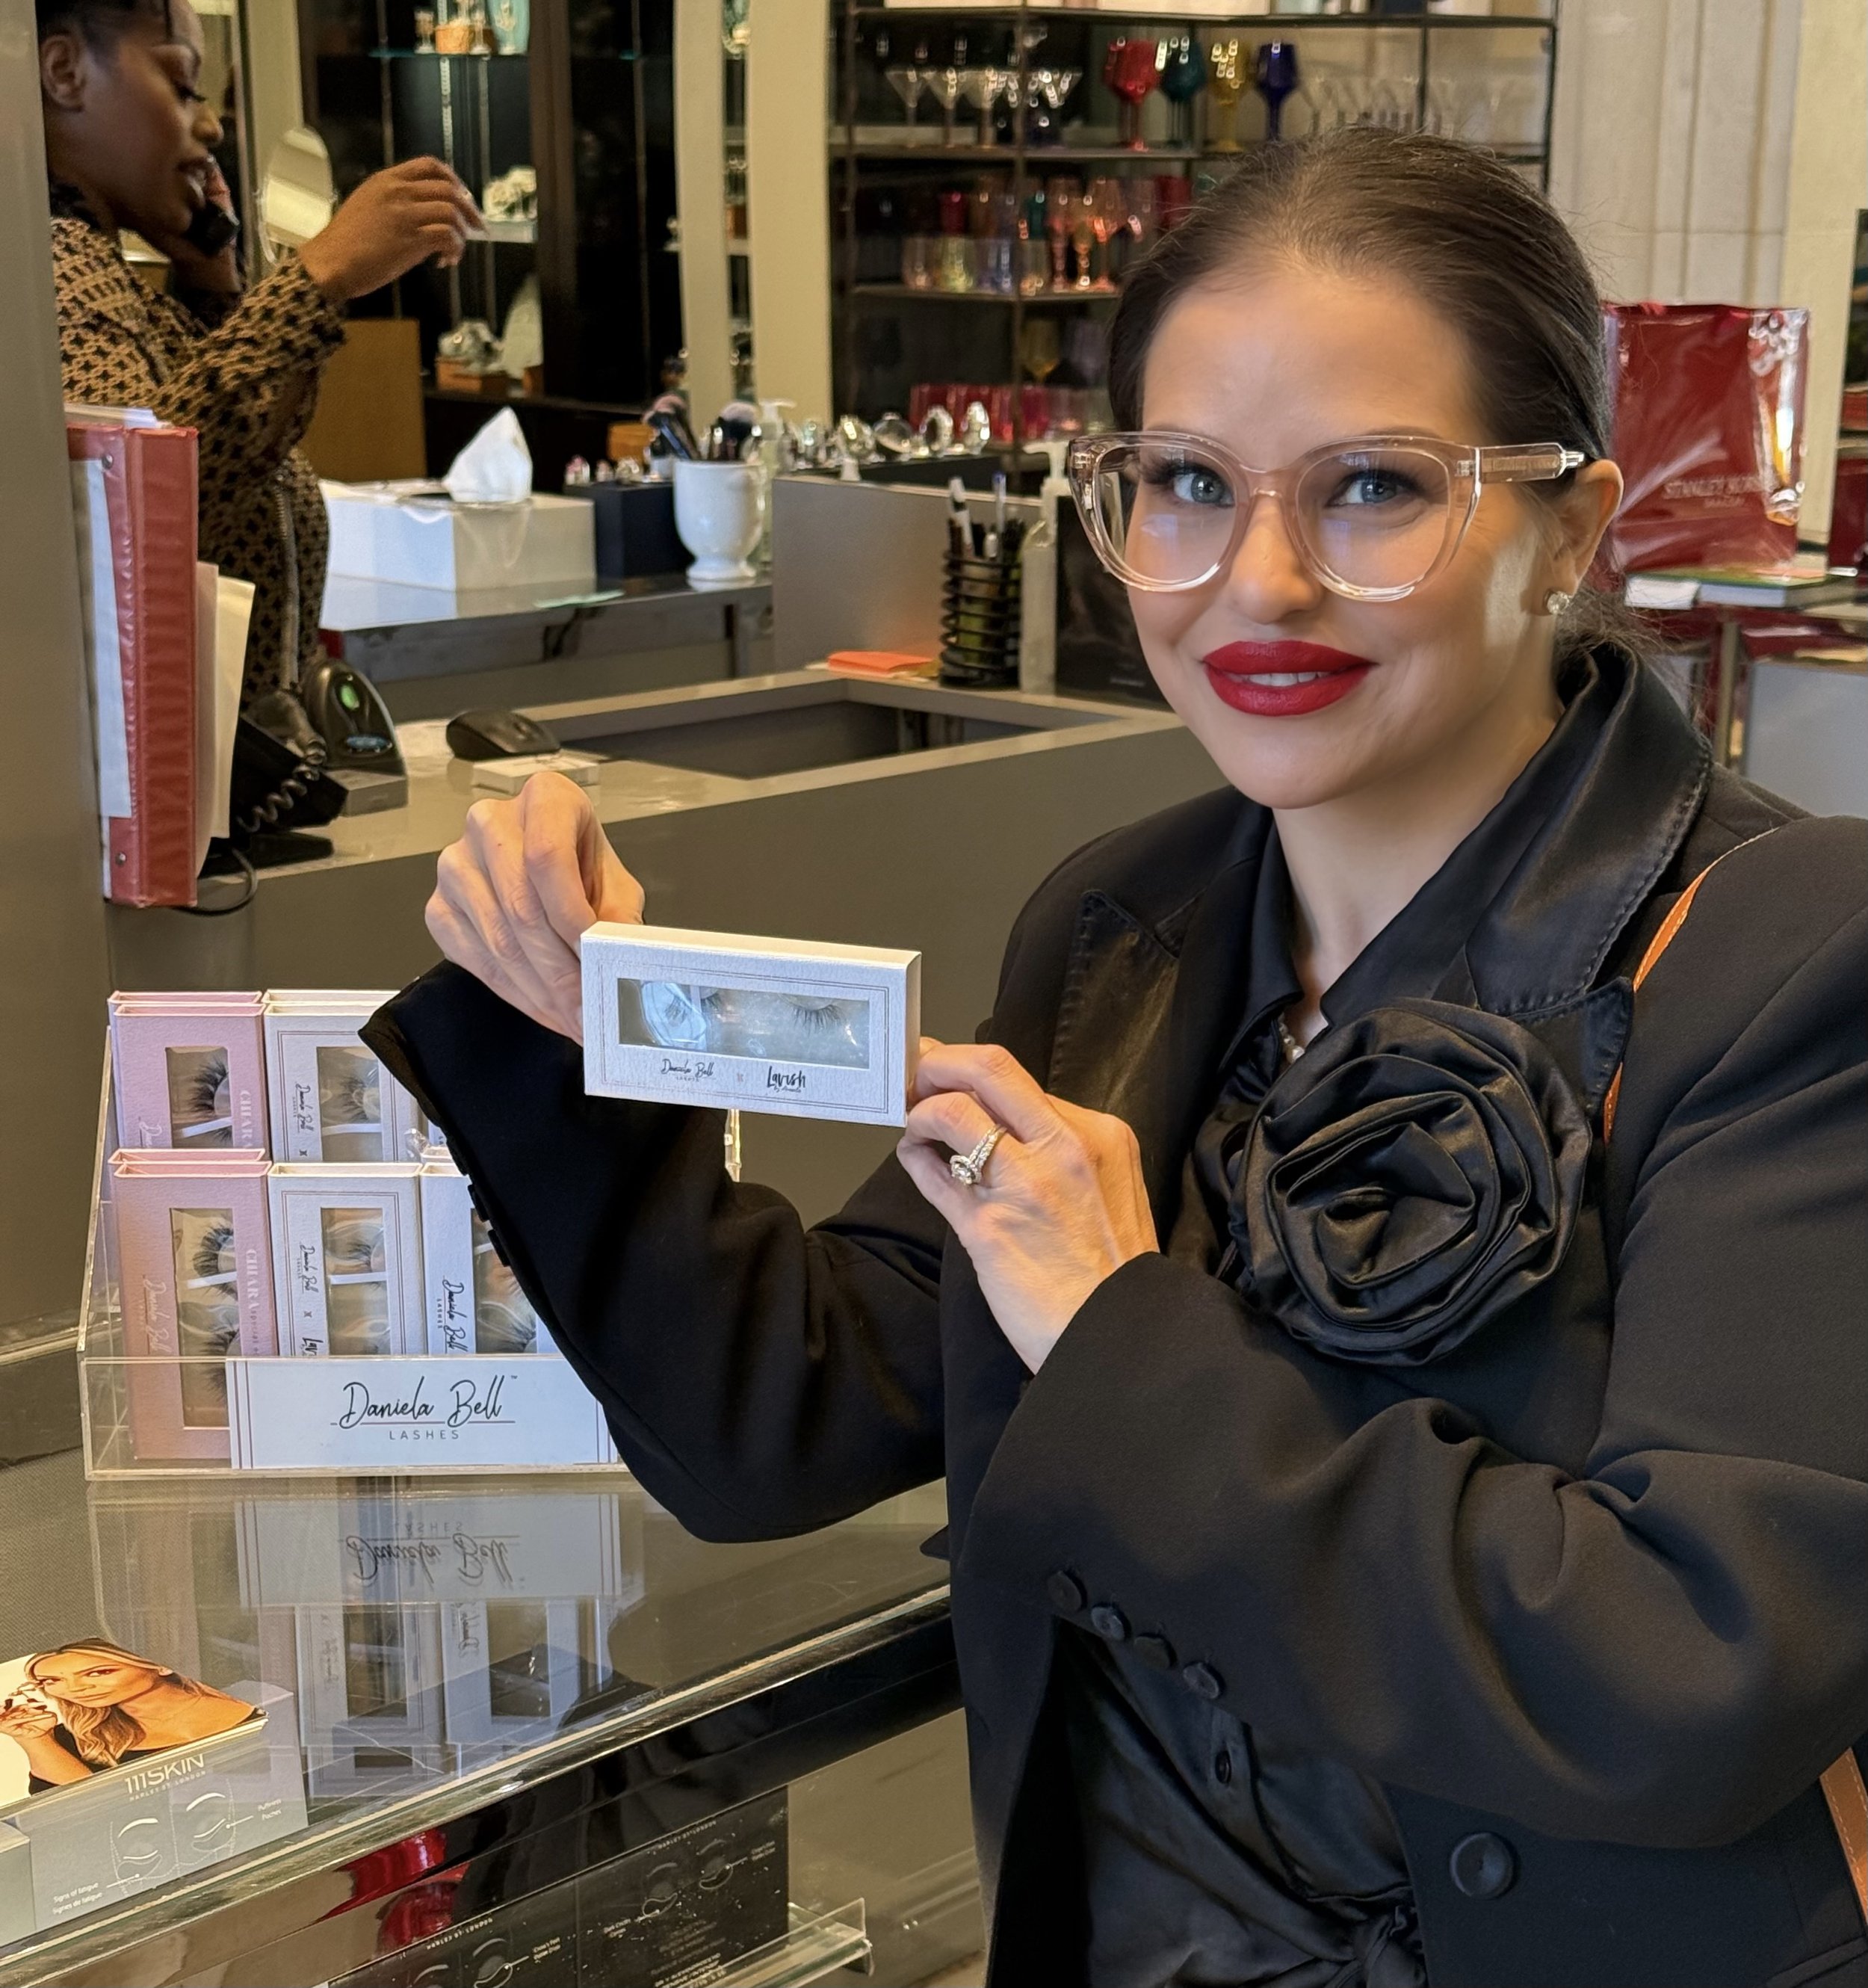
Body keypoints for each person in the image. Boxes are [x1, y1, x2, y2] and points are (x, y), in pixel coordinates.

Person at [366, 131, 1868, 1988]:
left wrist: (1118, 1325)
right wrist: (561, 1022)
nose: (1256, 583)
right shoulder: (1124, 928)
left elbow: (1689, 1668)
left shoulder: (1787, 956)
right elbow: (787, 1415)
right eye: (1182, 483)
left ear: (1572, 525)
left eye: (1374, 489)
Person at [37, 0, 480, 705]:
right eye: (181, 86)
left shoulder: (112, 281)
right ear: (63, 72)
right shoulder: (53, 269)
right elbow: (135, 509)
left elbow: (222, 488)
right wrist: (318, 277)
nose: (209, 125)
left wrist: (214, 296)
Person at [0, 1640, 258, 1791]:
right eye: (52, 1680)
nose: (75, 1689)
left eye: (98, 1673)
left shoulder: (252, 1700)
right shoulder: (70, 1741)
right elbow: (88, 1816)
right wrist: (36, 1740)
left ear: (160, 1664)